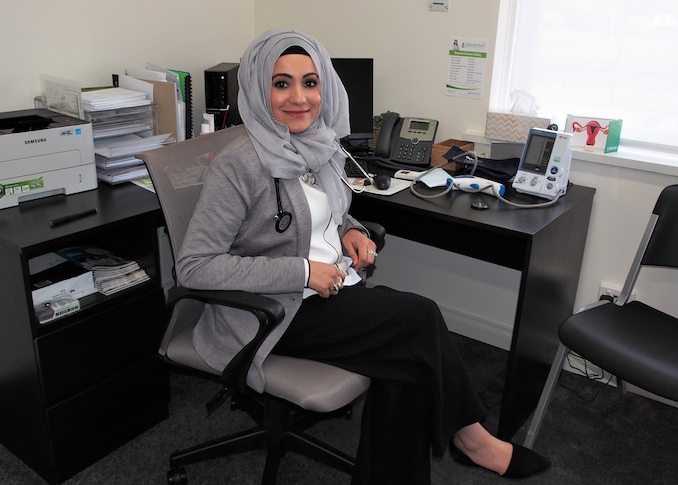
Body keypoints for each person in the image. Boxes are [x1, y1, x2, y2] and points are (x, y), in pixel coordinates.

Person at [176, 28, 551, 484]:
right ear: (258, 88)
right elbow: (194, 266)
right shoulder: (241, 162)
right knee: (420, 318)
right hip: (272, 312)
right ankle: (472, 439)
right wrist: (302, 272)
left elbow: (323, 212)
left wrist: (350, 230)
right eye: (281, 83)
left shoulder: (317, 145)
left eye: (310, 82)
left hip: (329, 290)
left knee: (407, 368)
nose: (299, 98)